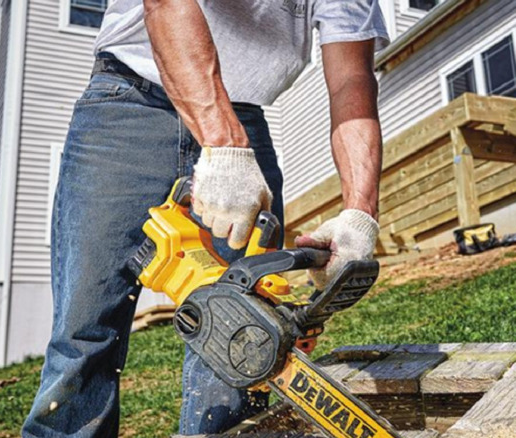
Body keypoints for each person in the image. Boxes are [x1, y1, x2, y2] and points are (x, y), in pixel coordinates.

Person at [22, 1, 389, 436]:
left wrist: (359, 213)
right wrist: (222, 142)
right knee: (84, 338)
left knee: (238, 341)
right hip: (128, 104)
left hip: (246, 118)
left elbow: (351, 78)